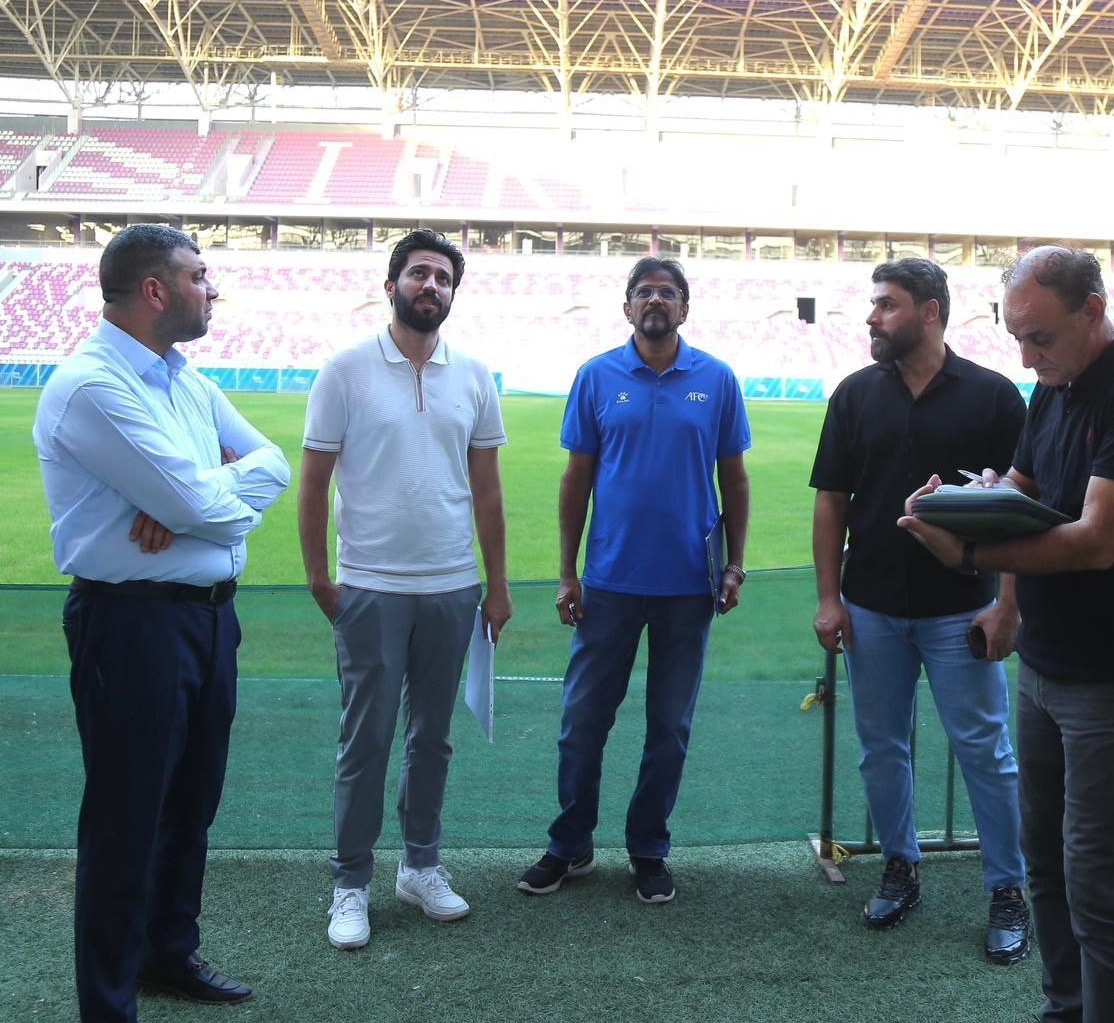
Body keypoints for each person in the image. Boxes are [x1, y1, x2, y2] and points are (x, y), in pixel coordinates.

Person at [899, 246, 1114, 1022]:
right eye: (1017, 340)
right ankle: (1065, 1009)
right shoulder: (1054, 387)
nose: (1027, 359)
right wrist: (961, 504)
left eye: (1040, 338)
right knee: (1048, 867)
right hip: (1046, 664)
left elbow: (1096, 541)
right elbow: (1019, 490)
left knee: (1097, 882)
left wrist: (968, 554)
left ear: (1093, 311)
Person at [33, 224, 289, 1021]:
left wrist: (200, 500)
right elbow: (196, 502)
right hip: (131, 626)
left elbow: (274, 464)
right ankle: (109, 1006)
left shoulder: (187, 381)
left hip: (210, 620)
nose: (213, 288)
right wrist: (197, 501)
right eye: (200, 275)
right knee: (127, 818)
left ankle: (167, 956)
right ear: (155, 290)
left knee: (190, 804)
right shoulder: (92, 386)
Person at [809, 258, 1032, 964]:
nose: (872, 317)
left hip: (961, 610)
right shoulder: (854, 394)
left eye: (887, 304)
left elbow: (1020, 512)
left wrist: (1007, 605)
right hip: (871, 608)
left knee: (986, 752)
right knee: (882, 749)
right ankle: (900, 868)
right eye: (874, 304)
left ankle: (1008, 889)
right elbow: (831, 502)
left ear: (930, 310)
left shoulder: (994, 397)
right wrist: (829, 598)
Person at [299, 228, 512, 951]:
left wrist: (496, 585)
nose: (431, 286)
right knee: (366, 740)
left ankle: (420, 867)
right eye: (419, 273)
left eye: (443, 278)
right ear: (391, 285)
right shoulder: (345, 370)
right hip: (369, 585)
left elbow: (488, 491)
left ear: (453, 293)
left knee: (433, 739)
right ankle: (350, 883)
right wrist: (320, 577)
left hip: (452, 586)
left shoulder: (473, 375)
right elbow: (314, 481)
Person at [517, 256, 750, 904]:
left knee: (669, 728)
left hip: (689, 586)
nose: (655, 300)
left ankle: (648, 847)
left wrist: (735, 564)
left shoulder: (717, 379)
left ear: (684, 308)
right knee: (583, 722)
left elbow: (734, 479)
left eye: (667, 292)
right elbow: (576, 480)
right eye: (644, 291)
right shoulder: (596, 376)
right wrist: (567, 573)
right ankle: (571, 844)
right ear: (626, 307)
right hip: (609, 582)